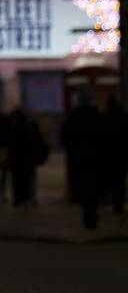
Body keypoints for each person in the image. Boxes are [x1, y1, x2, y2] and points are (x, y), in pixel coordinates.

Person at [61, 91, 102, 229]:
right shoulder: (96, 115)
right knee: (93, 188)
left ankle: (88, 214)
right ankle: (92, 212)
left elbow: (64, 136)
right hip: (95, 159)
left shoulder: (74, 116)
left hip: (79, 159)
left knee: (84, 189)